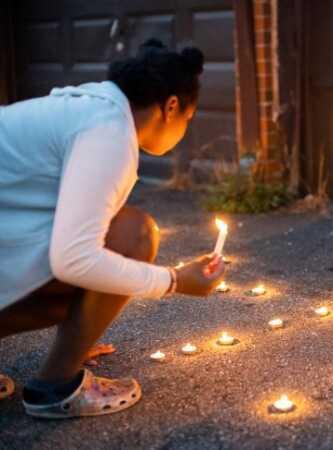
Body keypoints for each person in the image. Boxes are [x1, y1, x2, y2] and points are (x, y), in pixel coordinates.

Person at [0, 39, 225, 418]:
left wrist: (79, 330)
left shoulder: (90, 107)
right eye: (189, 118)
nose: (185, 129)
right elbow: (74, 259)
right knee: (134, 234)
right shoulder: (109, 133)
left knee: (106, 244)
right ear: (171, 106)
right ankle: (55, 387)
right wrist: (174, 280)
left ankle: (67, 355)